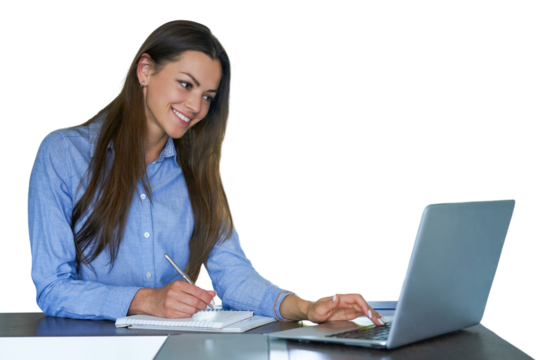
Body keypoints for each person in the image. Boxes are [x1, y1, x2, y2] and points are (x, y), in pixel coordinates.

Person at [27, 18, 387, 326]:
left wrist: (306, 307)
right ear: (145, 71)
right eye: (186, 84)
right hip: (86, 352)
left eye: (207, 96)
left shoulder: (196, 171)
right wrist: (146, 300)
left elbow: (233, 275)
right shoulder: (63, 154)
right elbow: (51, 287)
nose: (195, 106)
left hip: (175, 350)